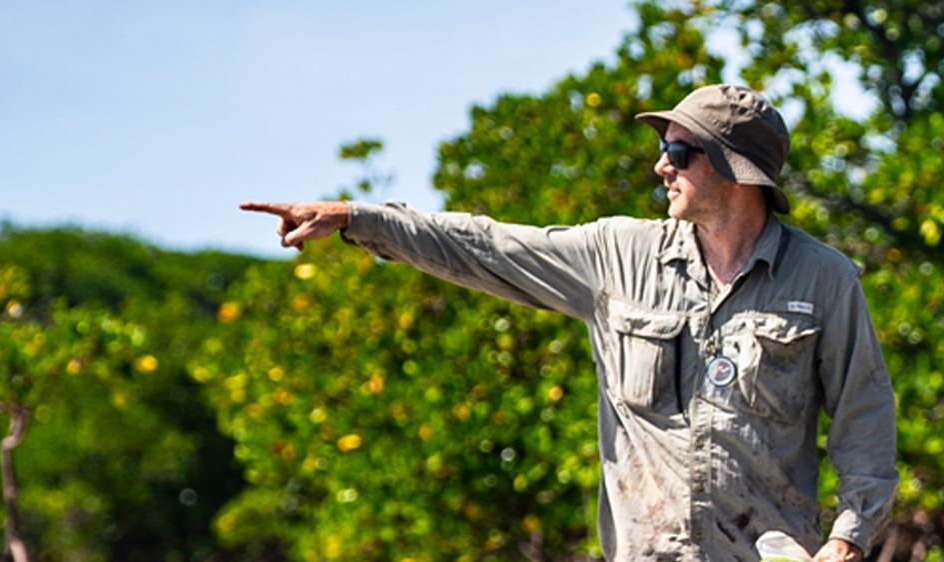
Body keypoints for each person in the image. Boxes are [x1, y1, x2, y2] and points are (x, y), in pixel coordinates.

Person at [241, 84, 897, 562]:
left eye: (680, 150)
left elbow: (864, 418)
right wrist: (357, 218)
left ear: (735, 168)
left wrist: (847, 541)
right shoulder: (617, 254)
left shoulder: (825, 279)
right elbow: (484, 246)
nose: (661, 165)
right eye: (664, 148)